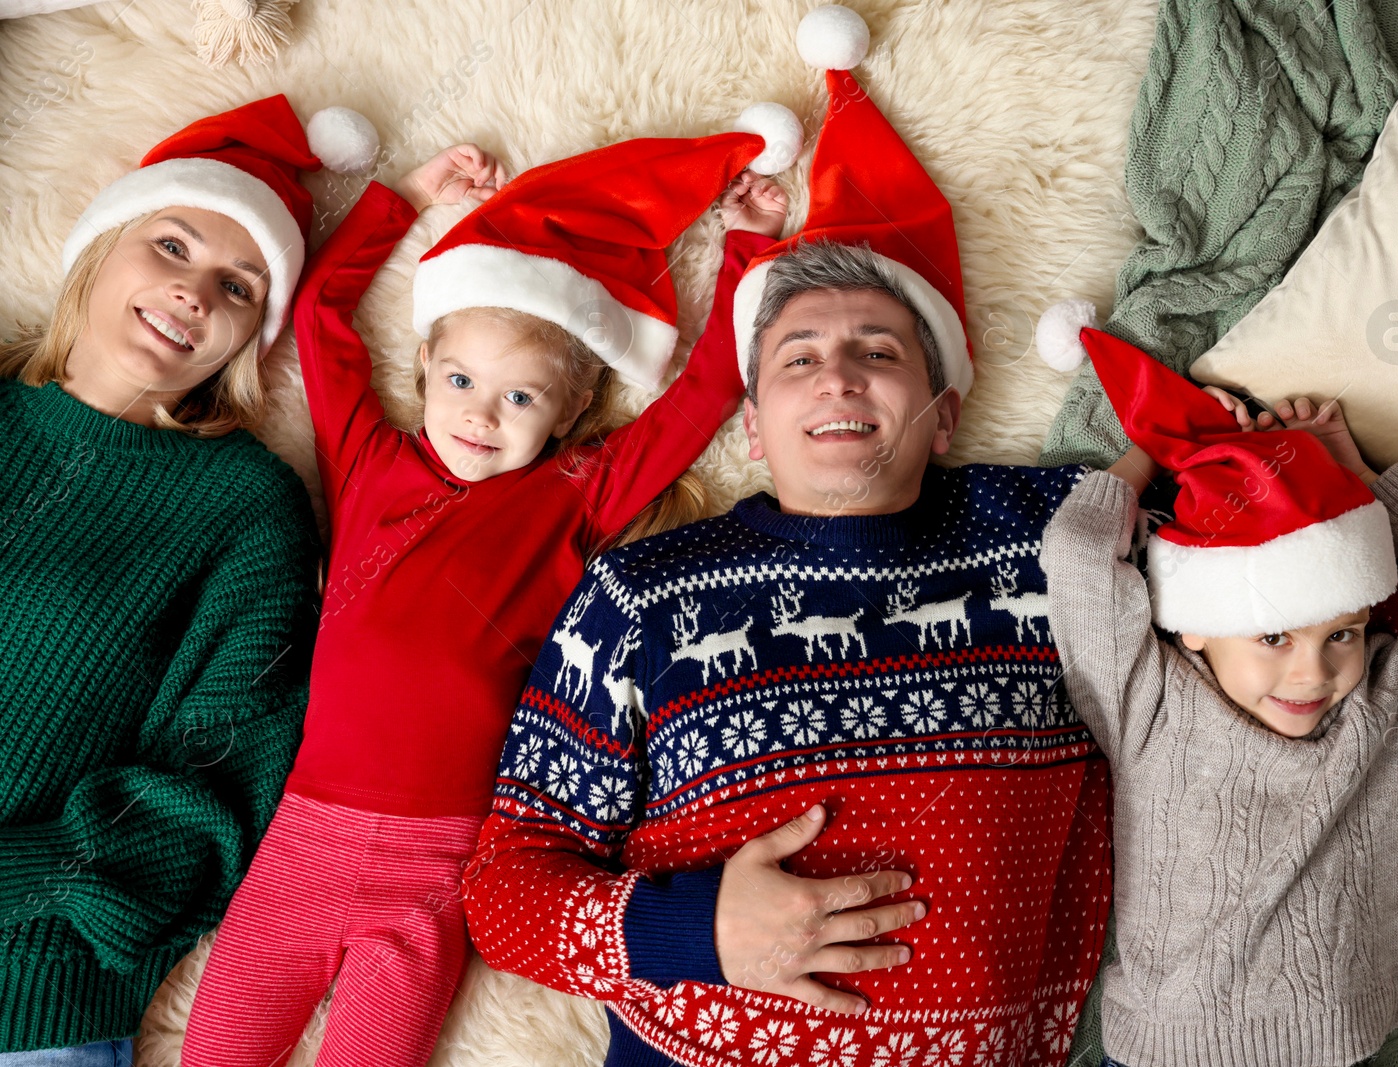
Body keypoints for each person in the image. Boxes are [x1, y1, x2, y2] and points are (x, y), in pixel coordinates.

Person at [463, 29, 1116, 1066]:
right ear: (757, 427)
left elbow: (1253, 558)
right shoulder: (642, 593)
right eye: (798, 357)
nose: (839, 376)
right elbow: (503, 891)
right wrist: (695, 927)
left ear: (942, 415)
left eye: (878, 351)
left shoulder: (1056, 531)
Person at [181, 109, 797, 1067]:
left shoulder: (572, 495)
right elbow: (318, 319)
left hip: (442, 856)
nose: (480, 414)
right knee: (215, 1051)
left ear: (575, 410)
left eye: (520, 397)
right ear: (423, 364)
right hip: (304, 833)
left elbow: (703, 396)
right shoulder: (368, 460)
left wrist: (745, 246)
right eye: (461, 379)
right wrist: (405, 202)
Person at [1040, 327, 1398, 1067]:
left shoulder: (1383, 708)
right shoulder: (1146, 706)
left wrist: (1360, 476)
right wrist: (1161, 450)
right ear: (1197, 628)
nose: (1313, 675)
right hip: (1164, 1052)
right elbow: (1079, 553)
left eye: (1342, 633)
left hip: (1338, 1049)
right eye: (1273, 638)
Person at [0, 96, 346, 1062]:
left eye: (239, 286)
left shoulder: (244, 507)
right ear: (100, 249)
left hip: (30, 995)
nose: (197, 291)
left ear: (249, 338)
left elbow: (219, 777)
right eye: (171, 245)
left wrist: (33, 875)